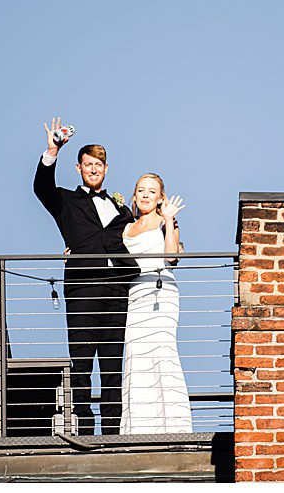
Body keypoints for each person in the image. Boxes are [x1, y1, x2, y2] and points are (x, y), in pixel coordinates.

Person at [32, 116, 137, 436]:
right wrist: (52, 150)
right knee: (81, 364)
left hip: (117, 291)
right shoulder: (66, 200)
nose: (93, 169)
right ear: (79, 167)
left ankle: (112, 436)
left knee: (112, 367)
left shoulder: (122, 208)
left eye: (99, 165)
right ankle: (86, 434)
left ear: (107, 169)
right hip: (82, 288)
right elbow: (41, 188)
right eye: (88, 164)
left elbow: (137, 239)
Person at [119, 173, 192, 435]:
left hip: (161, 292)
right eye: (141, 190)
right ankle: (137, 429)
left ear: (160, 197)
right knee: (137, 357)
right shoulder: (126, 228)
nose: (146, 194)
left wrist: (170, 218)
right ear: (135, 196)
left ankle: (173, 426)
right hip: (136, 293)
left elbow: (172, 257)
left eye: (152, 191)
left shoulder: (166, 222)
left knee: (162, 353)